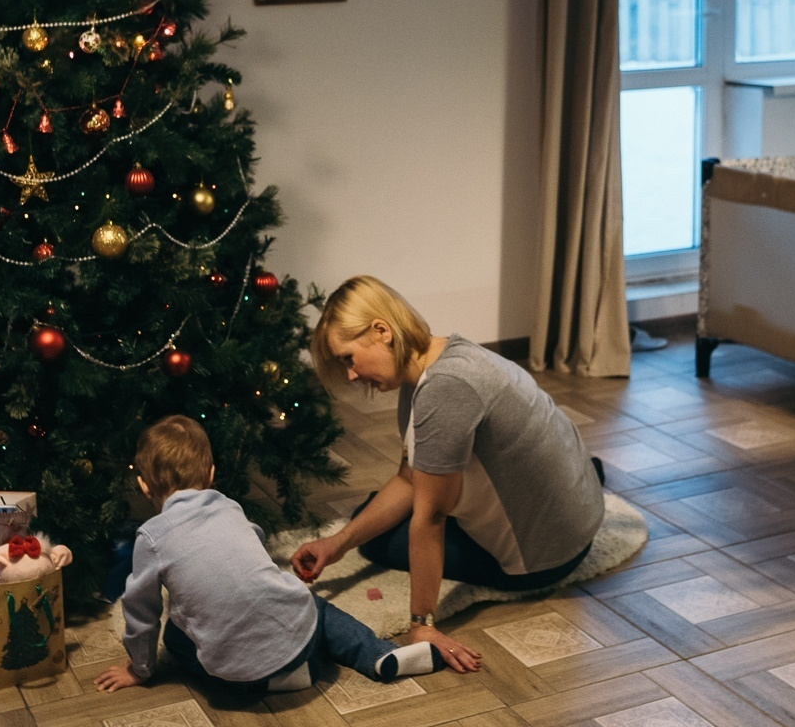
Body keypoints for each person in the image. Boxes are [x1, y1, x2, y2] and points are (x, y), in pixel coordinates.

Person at [294, 277, 606, 673]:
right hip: (578, 516)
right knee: (371, 515)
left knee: (380, 539)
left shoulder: (445, 391)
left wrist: (421, 625)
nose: (351, 375)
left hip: (546, 558)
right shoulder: (442, 357)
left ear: (381, 331)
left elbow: (431, 516)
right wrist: (336, 544)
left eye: (348, 358)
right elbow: (409, 478)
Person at [96, 414, 441, 694]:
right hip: (296, 633)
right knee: (316, 608)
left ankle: (276, 680)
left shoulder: (151, 537)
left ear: (143, 486)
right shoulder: (230, 507)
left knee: (174, 635)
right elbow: (254, 546)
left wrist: (139, 669)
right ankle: (379, 655)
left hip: (235, 672)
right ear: (211, 474)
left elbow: (140, 611)